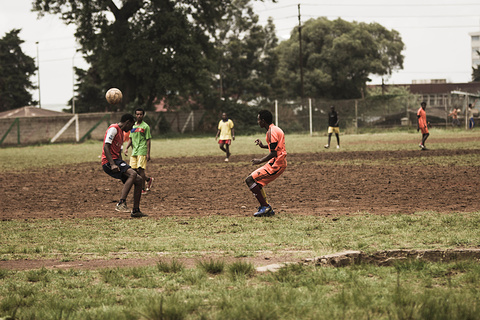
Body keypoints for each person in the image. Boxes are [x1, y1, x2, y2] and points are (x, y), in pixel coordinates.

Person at [101, 113, 147, 218]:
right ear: (127, 122)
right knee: (133, 174)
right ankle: (121, 203)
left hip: (117, 161)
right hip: (108, 162)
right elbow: (106, 147)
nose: (131, 128)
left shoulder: (121, 133)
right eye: (131, 126)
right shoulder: (113, 129)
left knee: (139, 180)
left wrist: (123, 167)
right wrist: (112, 164)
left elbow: (118, 152)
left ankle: (135, 210)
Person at [245, 110, 287, 217]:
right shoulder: (274, 129)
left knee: (249, 180)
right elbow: (275, 147)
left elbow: (273, 153)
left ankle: (266, 207)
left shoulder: (271, 132)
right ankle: (266, 207)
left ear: (263, 121)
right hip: (276, 162)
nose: (258, 122)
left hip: (276, 164)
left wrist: (259, 161)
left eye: (258, 119)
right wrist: (263, 146)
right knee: (256, 184)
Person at [124, 108, 154, 195]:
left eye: (140, 114)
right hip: (134, 151)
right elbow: (130, 138)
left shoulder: (145, 126)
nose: (139, 116)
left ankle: (143, 188)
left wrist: (148, 153)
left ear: (143, 115)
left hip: (142, 150)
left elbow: (148, 140)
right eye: (137, 114)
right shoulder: (132, 126)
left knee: (140, 169)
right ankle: (148, 179)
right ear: (135, 115)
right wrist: (126, 148)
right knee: (133, 170)